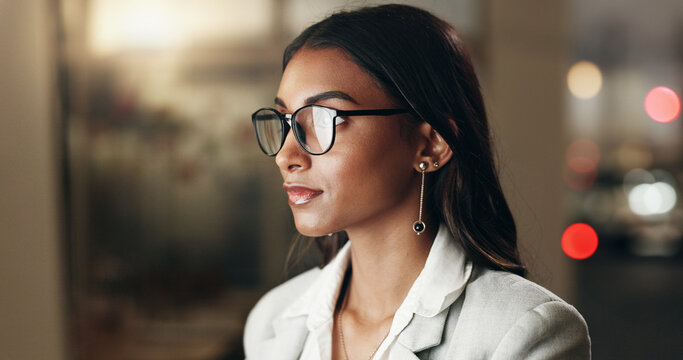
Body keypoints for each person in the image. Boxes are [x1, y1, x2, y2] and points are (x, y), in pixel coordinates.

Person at [243, 4, 590, 360]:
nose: (286, 156)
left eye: (324, 119)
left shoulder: (521, 332)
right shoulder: (271, 322)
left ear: (430, 144)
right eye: (285, 120)